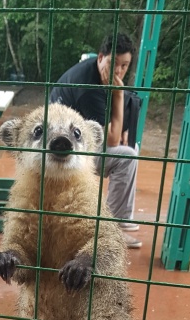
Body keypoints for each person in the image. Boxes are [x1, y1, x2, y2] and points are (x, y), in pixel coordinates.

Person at [50, 33, 143, 248]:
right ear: (101, 57)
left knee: (131, 147)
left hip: (76, 142)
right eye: (114, 64)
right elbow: (111, 140)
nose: (118, 71)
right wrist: (118, 94)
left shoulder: (94, 69)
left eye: (124, 66)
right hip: (62, 155)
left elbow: (114, 129)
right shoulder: (88, 87)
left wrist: (123, 127)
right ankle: (109, 230)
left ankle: (120, 218)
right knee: (126, 157)